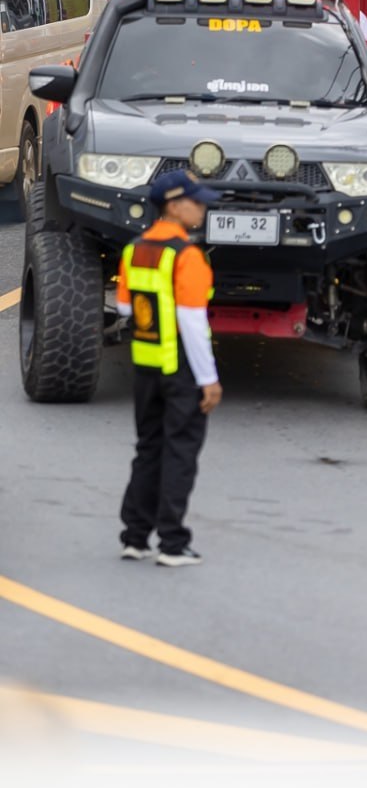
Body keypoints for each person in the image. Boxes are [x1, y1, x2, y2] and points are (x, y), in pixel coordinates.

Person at [117, 170, 222, 566]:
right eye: (196, 202)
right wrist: (209, 380)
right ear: (174, 207)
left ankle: (135, 537)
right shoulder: (187, 256)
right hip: (180, 369)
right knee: (180, 452)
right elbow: (193, 324)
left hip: (146, 365)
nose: (202, 209)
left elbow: (125, 307)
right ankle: (172, 544)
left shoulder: (134, 250)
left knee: (148, 449)